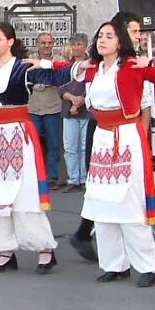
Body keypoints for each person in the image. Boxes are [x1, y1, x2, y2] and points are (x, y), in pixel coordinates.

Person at [72, 20, 155, 286]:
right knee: (101, 201)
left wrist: (150, 64)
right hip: (102, 138)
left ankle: (149, 266)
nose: (103, 40)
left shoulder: (131, 66)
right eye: (100, 36)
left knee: (130, 202)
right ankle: (114, 264)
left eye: (109, 36)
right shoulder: (94, 68)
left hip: (126, 136)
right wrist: (43, 65)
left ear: (120, 42)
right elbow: (64, 71)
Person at [0, 21, 72, 273]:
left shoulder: (23, 69)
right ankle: (5, 250)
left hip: (17, 133)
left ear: (10, 41)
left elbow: (64, 74)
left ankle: (44, 248)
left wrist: (48, 63)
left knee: (24, 191)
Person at [27, 32, 63, 186]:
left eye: (49, 42)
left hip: (53, 107)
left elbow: (62, 81)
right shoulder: (30, 62)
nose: (46, 46)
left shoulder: (59, 62)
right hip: (34, 107)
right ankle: (37, 175)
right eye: (43, 43)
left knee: (53, 144)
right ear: (37, 44)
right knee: (35, 144)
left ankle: (52, 177)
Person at [58, 33, 90, 193]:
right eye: (74, 45)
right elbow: (61, 87)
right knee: (70, 147)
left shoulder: (92, 65)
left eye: (79, 44)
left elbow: (92, 84)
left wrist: (80, 101)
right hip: (68, 110)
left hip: (87, 111)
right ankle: (73, 179)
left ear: (85, 45)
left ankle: (85, 178)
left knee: (85, 146)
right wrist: (72, 100)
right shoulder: (66, 66)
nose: (76, 47)